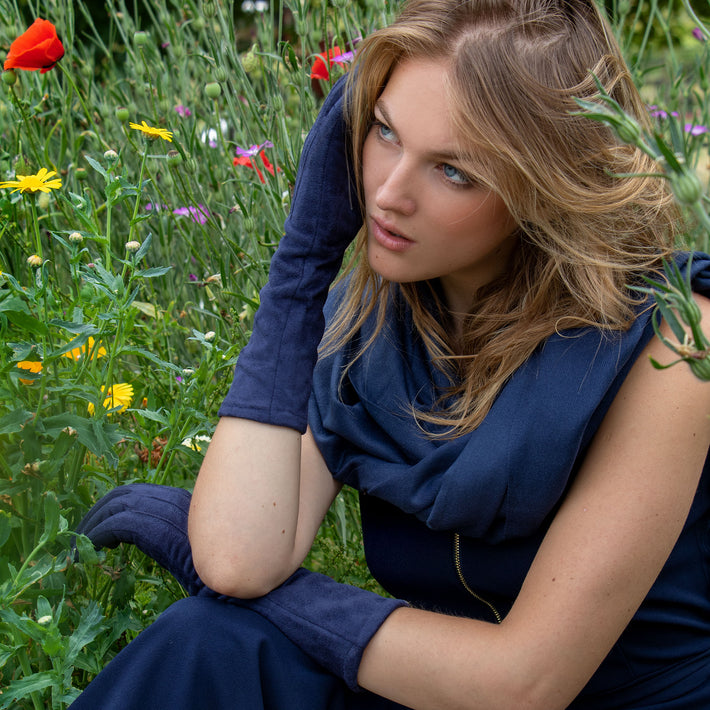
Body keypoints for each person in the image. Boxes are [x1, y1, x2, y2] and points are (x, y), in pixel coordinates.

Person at [71, 0, 710, 708]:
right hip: (427, 693)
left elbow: (523, 684)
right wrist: (304, 259)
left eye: (454, 171)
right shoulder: (377, 318)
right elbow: (238, 557)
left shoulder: (676, 337)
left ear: (546, 183)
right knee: (209, 643)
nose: (388, 193)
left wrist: (277, 596)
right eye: (384, 133)